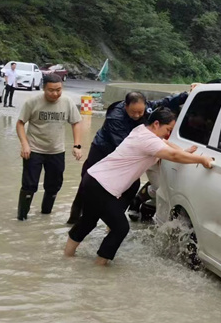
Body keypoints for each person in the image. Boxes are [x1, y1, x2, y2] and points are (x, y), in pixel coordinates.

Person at [64, 107, 215, 265]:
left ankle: (67, 257)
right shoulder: (148, 140)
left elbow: (168, 145)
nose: (167, 133)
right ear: (156, 124)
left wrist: (186, 152)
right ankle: (99, 266)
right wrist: (201, 159)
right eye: (168, 129)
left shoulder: (141, 130)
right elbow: (173, 155)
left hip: (93, 179)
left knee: (88, 220)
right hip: (101, 186)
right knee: (120, 228)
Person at [66, 85, 199, 224]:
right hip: (104, 149)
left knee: (132, 185)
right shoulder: (115, 118)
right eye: (133, 112)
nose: (137, 116)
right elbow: (127, 148)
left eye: (140, 112)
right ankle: (75, 219)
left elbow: (167, 101)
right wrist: (158, 151)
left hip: (128, 149)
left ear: (145, 105)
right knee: (87, 185)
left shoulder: (147, 107)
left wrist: (189, 93)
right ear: (125, 106)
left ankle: (114, 219)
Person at [16, 73, 83, 220]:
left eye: (58, 90)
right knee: (29, 186)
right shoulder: (32, 102)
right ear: (43, 88)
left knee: (54, 186)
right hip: (33, 149)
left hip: (56, 150)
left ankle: (45, 215)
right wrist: (24, 144)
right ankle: (21, 218)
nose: (55, 93)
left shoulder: (67, 102)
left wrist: (77, 145)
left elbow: (76, 122)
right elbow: (20, 123)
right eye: (51, 90)